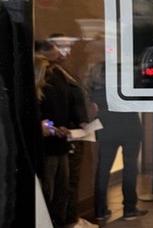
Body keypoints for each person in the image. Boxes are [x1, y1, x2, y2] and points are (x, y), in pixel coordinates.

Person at [86, 61, 147, 223]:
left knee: (103, 169)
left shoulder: (96, 88)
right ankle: (129, 209)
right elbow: (141, 101)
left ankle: (99, 211)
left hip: (106, 129)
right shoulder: (128, 88)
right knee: (130, 168)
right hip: (130, 129)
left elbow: (93, 106)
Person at [35, 40, 79, 227]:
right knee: (49, 191)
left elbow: (59, 109)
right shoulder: (41, 81)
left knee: (61, 190)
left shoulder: (59, 76)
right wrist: (50, 127)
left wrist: (62, 126)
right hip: (47, 146)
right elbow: (42, 114)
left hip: (60, 141)